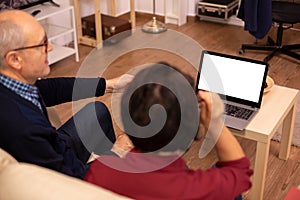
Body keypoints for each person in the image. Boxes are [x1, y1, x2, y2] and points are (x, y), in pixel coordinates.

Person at [84, 63, 253, 200]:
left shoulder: (100, 171)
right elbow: (239, 171)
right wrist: (214, 121)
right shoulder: (197, 189)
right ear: (190, 130)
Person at [0, 10, 132, 179]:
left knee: (97, 110)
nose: (50, 47)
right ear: (14, 59)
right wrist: (117, 151)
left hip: (57, 144)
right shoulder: (25, 129)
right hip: (64, 170)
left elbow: (51, 88)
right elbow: (73, 179)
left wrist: (109, 85)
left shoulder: (10, 84)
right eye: (42, 44)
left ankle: (109, 172)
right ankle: (108, 182)